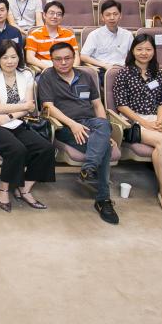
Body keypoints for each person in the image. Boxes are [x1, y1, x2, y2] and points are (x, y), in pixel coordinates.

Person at [38, 42, 118, 224]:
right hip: (65, 127)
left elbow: (97, 105)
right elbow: (48, 107)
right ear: (51, 60)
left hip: (91, 124)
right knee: (103, 145)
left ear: (74, 58)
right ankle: (103, 199)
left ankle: (89, 168)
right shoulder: (47, 77)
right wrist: (73, 124)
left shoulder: (85, 76)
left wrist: (106, 132)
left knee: (103, 125)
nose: (63, 63)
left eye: (67, 58)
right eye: (58, 59)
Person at [113, 34, 162, 217]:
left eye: (148, 49)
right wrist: (145, 123)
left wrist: (159, 120)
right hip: (133, 121)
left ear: (154, 51)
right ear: (132, 51)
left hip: (156, 119)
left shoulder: (157, 73)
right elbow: (121, 105)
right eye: (139, 49)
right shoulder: (123, 73)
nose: (143, 53)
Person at [0, 40, 55, 212]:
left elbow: (30, 106)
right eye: (5, 57)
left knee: (46, 148)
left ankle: (24, 188)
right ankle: (3, 188)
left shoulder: (26, 75)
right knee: (17, 149)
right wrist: (23, 107)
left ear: (19, 57)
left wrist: (10, 115)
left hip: (15, 121)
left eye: (13, 57)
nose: (10, 61)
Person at [80, 0, 133, 81]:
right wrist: (104, 65)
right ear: (102, 17)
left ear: (120, 15)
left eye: (115, 14)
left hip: (123, 69)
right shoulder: (94, 35)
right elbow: (83, 56)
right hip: (102, 70)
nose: (112, 17)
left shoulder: (127, 35)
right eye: (108, 15)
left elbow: (134, 55)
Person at [25, 0, 79, 73]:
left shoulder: (69, 34)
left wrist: (72, 69)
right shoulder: (34, 35)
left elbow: (76, 56)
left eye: (59, 14)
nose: (55, 16)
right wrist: (51, 69)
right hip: (45, 69)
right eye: (51, 13)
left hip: (67, 68)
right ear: (44, 15)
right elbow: (30, 58)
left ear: (62, 17)